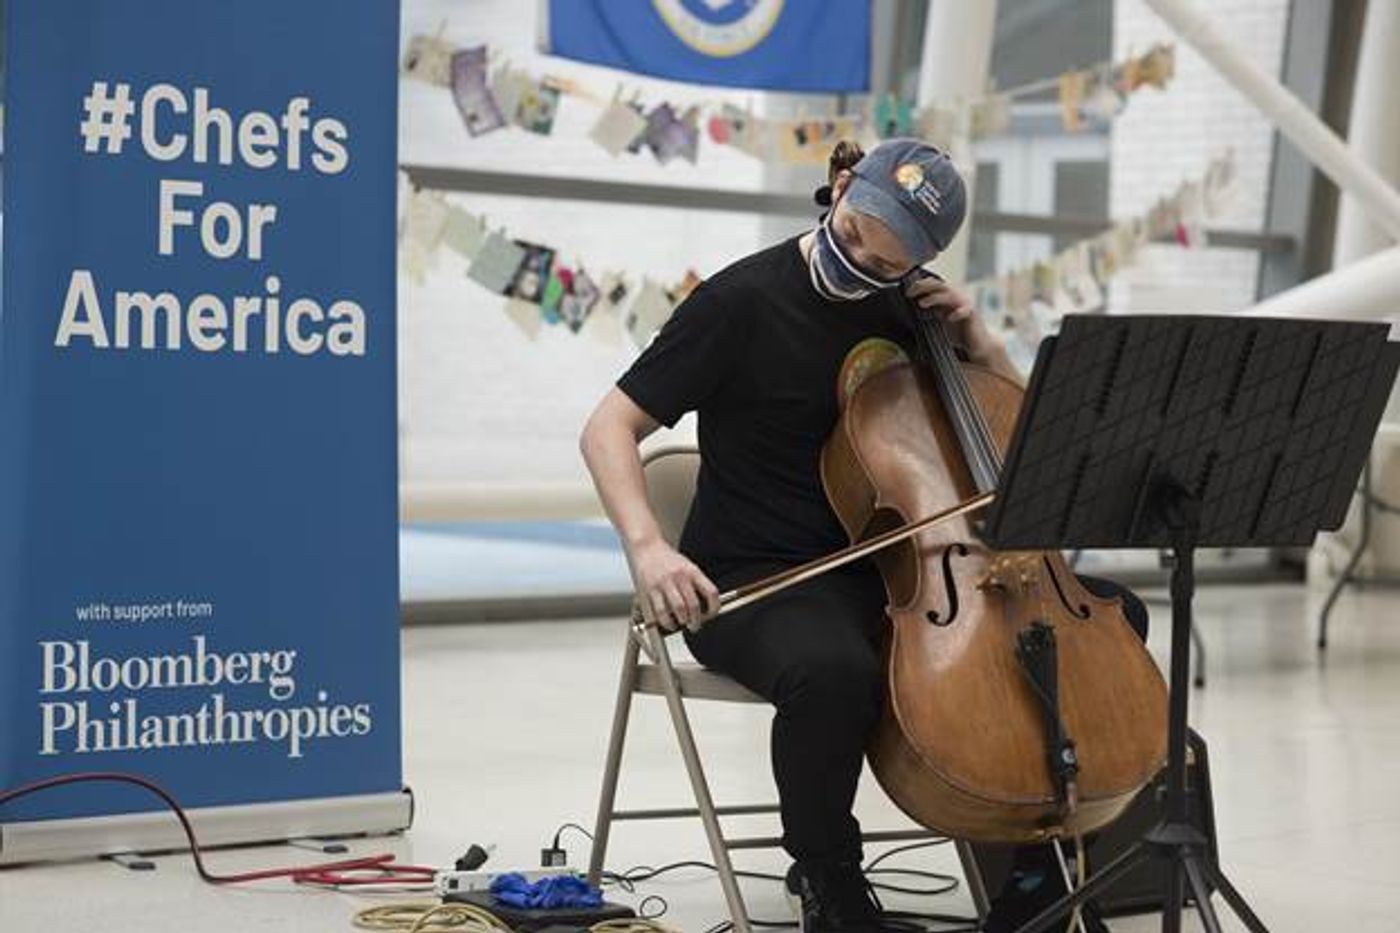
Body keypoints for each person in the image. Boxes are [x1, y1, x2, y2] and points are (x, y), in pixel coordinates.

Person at [578, 138, 1142, 933]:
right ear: (842, 185)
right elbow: (609, 426)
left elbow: (1017, 445)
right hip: (757, 577)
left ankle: (1035, 877)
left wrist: (983, 345)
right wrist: (648, 547)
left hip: (899, 574)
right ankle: (830, 880)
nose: (857, 269)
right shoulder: (740, 302)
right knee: (831, 669)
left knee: (1107, 625)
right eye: (850, 240)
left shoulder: (917, 309)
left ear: (921, 261)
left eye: (883, 267)